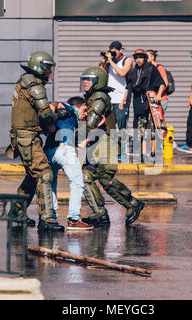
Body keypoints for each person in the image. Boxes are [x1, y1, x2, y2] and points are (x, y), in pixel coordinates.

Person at [78, 66, 145, 227]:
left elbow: (90, 125)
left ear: (97, 81)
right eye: (84, 79)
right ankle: (99, 213)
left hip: (106, 142)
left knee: (105, 178)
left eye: (89, 80)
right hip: (97, 143)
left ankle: (132, 203)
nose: (85, 82)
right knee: (85, 177)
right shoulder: (94, 96)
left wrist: (68, 135)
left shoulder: (99, 98)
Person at [7, 51, 65, 232]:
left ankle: (17, 213)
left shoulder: (25, 80)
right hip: (28, 137)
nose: (49, 71)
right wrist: (60, 115)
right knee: (44, 174)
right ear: (39, 66)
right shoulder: (34, 85)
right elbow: (46, 113)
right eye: (48, 67)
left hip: (24, 137)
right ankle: (47, 218)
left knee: (32, 176)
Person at [44, 96, 93, 230]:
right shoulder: (71, 109)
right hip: (64, 149)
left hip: (49, 151)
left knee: (52, 184)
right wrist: (54, 107)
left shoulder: (65, 117)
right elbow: (54, 103)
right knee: (77, 182)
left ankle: (52, 217)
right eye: (85, 108)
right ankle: (74, 219)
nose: (86, 112)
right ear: (79, 106)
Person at [126, 49, 166, 159]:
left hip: (151, 103)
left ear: (145, 58)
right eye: (137, 58)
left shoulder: (151, 69)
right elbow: (129, 88)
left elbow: (162, 84)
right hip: (138, 102)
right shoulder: (133, 71)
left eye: (141, 57)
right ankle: (143, 154)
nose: (138, 60)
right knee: (140, 129)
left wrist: (158, 95)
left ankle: (153, 152)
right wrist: (124, 101)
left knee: (152, 129)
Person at [100, 40, 133, 131]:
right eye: (111, 52)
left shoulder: (127, 60)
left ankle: (123, 145)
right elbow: (102, 74)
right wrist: (105, 61)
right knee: (110, 127)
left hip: (121, 98)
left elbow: (122, 73)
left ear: (120, 50)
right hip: (109, 98)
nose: (113, 54)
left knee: (121, 127)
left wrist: (111, 61)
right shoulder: (109, 62)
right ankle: (113, 145)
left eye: (115, 52)